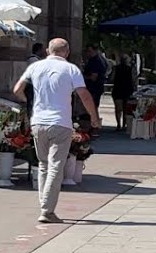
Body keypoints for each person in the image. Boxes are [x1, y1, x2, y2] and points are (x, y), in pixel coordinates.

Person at [12, 38, 101, 224]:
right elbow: (83, 94)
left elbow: (17, 89)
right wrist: (93, 116)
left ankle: (45, 206)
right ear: (66, 52)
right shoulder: (71, 69)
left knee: (43, 165)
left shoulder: (35, 67)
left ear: (47, 51)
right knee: (55, 167)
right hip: (60, 122)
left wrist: (27, 104)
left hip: (38, 122)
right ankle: (47, 210)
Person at [111, 54, 135, 130]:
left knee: (118, 109)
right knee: (125, 108)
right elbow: (134, 80)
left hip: (118, 89)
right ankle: (124, 125)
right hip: (127, 89)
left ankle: (118, 124)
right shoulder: (130, 69)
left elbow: (111, 78)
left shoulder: (116, 68)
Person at [82, 44, 108, 113]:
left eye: (89, 51)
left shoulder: (95, 61)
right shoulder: (101, 59)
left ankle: (94, 122)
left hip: (93, 88)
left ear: (94, 50)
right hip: (98, 87)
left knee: (92, 108)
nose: (88, 53)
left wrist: (83, 77)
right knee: (94, 107)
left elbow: (93, 77)